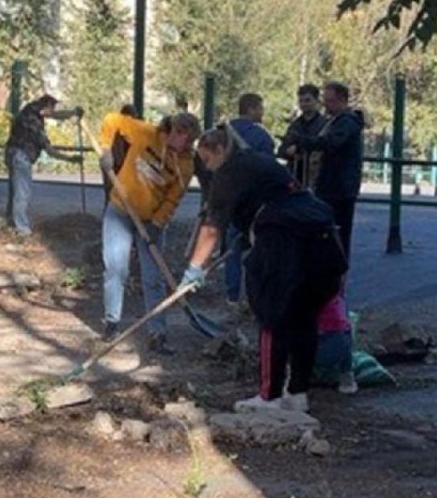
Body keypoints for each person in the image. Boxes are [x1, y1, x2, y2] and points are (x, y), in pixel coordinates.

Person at [180, 124, 347, 412]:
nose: (207, 168)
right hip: (323, 240)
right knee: (305, 319)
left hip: (284, 243)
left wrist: (195, 267)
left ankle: (269, 396)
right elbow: (276, 197)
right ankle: (297, 394)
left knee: (273, 318)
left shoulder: (229, 172)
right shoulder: (260, 160)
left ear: (220, 150)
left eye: (207, 159)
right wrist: (247, 235)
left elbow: (212, 226)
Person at [98, 110, 201, 355]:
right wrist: (105, 150)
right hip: (120, 210)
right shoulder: (145, 133)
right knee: (116, 268)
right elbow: (112, 120)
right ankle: (111, 323)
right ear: (173, 131)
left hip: (150, 222)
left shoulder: (186, 164)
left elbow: (173, 198)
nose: (185, 146)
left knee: (153, 277)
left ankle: (158, 333)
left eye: (190, 142)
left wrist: (157, 223)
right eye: (183, 139)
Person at [293, 81, 363, 261]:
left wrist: (304, 142)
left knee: (338, 232)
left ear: (341, 100)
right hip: (332, 184)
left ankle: (337, 274)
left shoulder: (347, 122)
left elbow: (332, 143)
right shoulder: (336, 121)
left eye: (329, 101)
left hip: (339, 187)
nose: (325, 105)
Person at [222, 93, 277, 305]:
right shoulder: (261, 137)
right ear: (252, 108)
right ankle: (255, 296)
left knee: (232, 248)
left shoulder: (222, 132)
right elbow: (268, 169)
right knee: (259, 248)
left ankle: (232, 296)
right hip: (255, 201)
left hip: (230, 198)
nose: (262, 112)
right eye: (260, 108)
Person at [3, 94, 81, 236]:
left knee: (16, 190)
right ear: (46, 107)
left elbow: (55, 115)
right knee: (22, 193)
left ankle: (12, 221)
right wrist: (70, 159)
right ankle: (22, 229)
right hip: (21, 156)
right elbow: (50, 151)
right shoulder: (35, 124)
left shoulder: (29, 110)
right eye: (52, 108)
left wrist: (72, 113)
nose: (53, 112)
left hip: (12, 153)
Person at [277, 84, 328, 187]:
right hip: (296, 178)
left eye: (307, 100)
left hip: (318, 179)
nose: (304, 104)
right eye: (301, 101)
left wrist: (300, 147)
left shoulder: (325, 125)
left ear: (316, 101)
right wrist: (288, 151)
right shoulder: (295, 125)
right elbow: (282, 150)